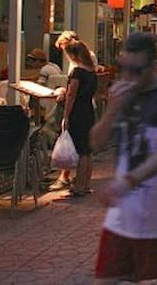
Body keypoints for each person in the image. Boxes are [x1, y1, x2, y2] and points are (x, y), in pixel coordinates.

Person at [91, 32, 157, 285]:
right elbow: (94, 142)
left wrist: (129, 181)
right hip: (120, 216)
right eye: (123, 68)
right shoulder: (123, 96)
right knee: (104, 279)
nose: (128, 76)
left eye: (136, 70)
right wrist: (111, 110)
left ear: (153, 65)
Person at [60, 41, 97, 197]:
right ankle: (86, 184)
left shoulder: (77, 72)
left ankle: (79, 186)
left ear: (74, 55)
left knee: (81, 150)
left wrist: (66, 116)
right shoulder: (92, 72)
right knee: (87, 151)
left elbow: (71, 94)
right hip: (88, 111)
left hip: (78, 112)